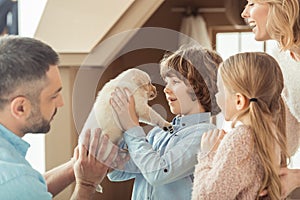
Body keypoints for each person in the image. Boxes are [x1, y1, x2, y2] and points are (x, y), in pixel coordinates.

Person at [0, 36, 118, 199]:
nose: (61, 103)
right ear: (21, 108)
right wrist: (87, 184)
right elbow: (22, 186)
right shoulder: (16, 181)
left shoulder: (16, 177)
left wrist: (75, 167)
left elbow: (32, 187)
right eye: (54, 96)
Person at [108, 45, 221, 200]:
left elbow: (158, 173)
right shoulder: (158, 133)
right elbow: (116, 172)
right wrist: (119, 127)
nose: (166, 89)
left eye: (175, 81)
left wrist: (132, 127)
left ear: (199, 86)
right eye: (166, 82)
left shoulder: (204, 135)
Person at [191, 52, 289, 199]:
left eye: (219, 90)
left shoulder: (240, 139)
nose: (216, 96)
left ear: (239, 101)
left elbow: (205, 198)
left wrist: (207, 155)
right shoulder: (273, 133)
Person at [241, 0, 300, 197]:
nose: (244, 13)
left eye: (252, 3)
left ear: (281, 5)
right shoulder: (280, 55)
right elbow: (288, 136)